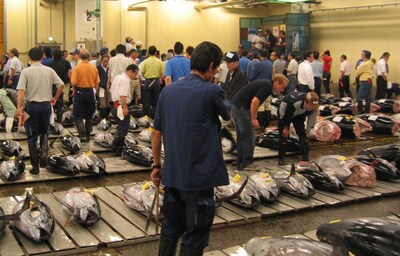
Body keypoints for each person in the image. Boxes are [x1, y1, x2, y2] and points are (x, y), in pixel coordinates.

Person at [150, 41, 231, 256]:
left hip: (173, 176)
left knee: (170, 229)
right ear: (212, 65)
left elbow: (156, 132)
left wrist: (157, 165)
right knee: (195, 234)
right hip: (199, 180)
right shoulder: (212, 91)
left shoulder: (167, 92)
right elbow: (227, 114)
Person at [16, 47, 64, 174]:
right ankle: (43, 153)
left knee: (31, 136)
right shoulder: (49, 70)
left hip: (31, 107)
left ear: (30, 58)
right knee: (44, 132)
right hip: (46, 106)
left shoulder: (26, 72)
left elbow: (21, 91)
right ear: (42, 57)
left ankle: (35, 167)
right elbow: (61, 85)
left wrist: (19, 108)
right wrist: (55, 98)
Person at [231, 75, 288, 171]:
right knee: (249, 136)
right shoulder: (267, 86)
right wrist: (253, 118)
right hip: (242, 109)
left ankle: (240, 161)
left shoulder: (265, 83)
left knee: (242, 136)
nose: (282, 90)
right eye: (282, 87)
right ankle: (246, 163)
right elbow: (255, 102)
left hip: (236, 107)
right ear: (277, 83)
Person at [278, 91, 319, 166]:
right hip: (285, 112)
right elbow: (286, 115)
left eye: (313, 107)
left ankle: (305, 158)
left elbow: (312, 117)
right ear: (306, 102)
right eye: (310, 107)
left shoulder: (314, 105)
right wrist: (286, 127)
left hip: (299, 115)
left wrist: (308, 129)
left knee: (303, 134)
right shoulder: (294, 103)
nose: (311, 109)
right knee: (284, 135)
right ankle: (281, 159)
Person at [70, 49, 100, 142]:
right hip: (90, 92)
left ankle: (82, 136)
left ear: (79, 56)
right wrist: (94, 91)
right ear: (89, 57)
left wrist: (73, 88)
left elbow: (73, 82)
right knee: (89, 115)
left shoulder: (77, 68)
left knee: (77, 116)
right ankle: (87, 135)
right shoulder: (93, 68)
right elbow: (97, 82)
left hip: (80, 92)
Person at [110, 64, 139, 155]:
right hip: (121, 106)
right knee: (123, 129)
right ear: (130, 71)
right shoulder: (125, 80)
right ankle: (117, 150)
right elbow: (122, 95)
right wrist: (125, 108)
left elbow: (111, 90)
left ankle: (114, 147)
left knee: (120, 127)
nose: (135, 76)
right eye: (135, 74)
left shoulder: (117, 77)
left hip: (115, 105)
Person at [45, 50, 69, 122]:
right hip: (59, 89)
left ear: (53, 56)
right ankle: (59, 121)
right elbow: (66, 80)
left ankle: (48, 121)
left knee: (48, 106)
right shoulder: (63, 66)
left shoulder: (47, 65)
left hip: (48, 89)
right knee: (59, 106)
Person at [140, 45, 163, 118]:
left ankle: (147, 117)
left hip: (147, 81)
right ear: (156, 52)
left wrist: (147, 77)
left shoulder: (145, 62)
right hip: (156, 81)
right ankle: (155, 116)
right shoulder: (159, 62)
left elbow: (142, 73)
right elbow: (161, 73)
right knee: (156, 100)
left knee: (147, 101)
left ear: (148, 53)